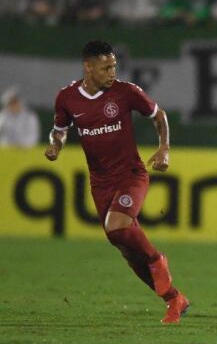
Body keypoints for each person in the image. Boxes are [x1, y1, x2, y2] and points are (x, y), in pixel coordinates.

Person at [44, 41, 189, 324]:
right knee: (124, 247)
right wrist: (56, 146)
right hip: (100, 182)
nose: (112, 72)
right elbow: (59, 130)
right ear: (88, 67)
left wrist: (164, 149)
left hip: (131, 175)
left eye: (114, 66)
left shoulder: (125, 92)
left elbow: (159, 115)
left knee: (117, 226)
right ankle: (174, 299)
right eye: (106, 67)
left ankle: (158, 259)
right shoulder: (67, 98)